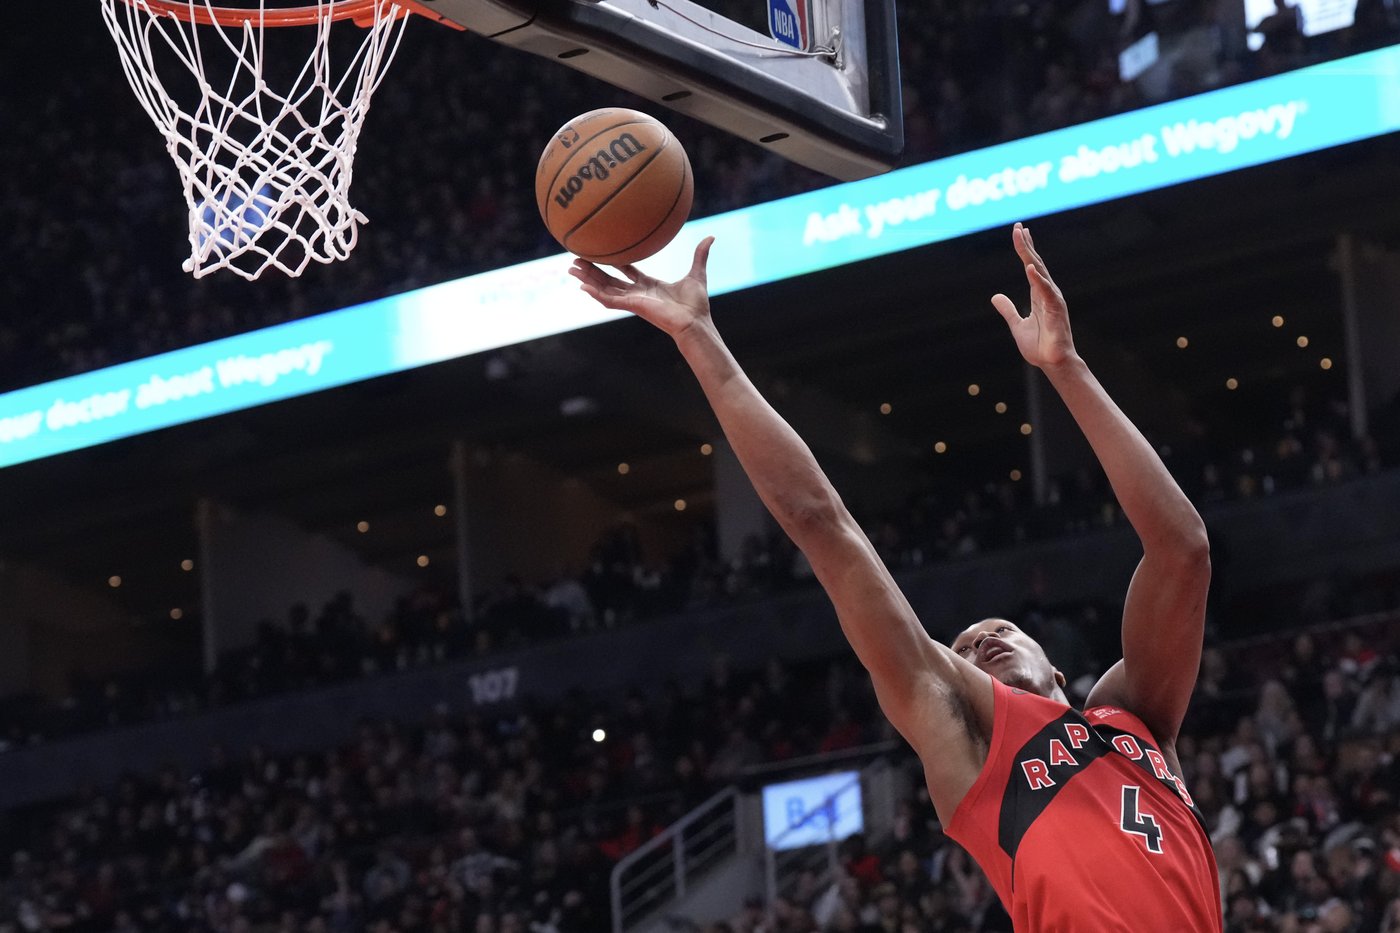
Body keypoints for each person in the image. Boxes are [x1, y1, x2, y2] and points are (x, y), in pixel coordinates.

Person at [570, 223, 1220, 930]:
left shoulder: (1137, 717)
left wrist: (1066, 366)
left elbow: (1181, 548)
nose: (981, 643)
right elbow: (824, 524)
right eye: (966, 644)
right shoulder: (970, 747)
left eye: (999, 629)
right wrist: (700, 337)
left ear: (1057, 669)